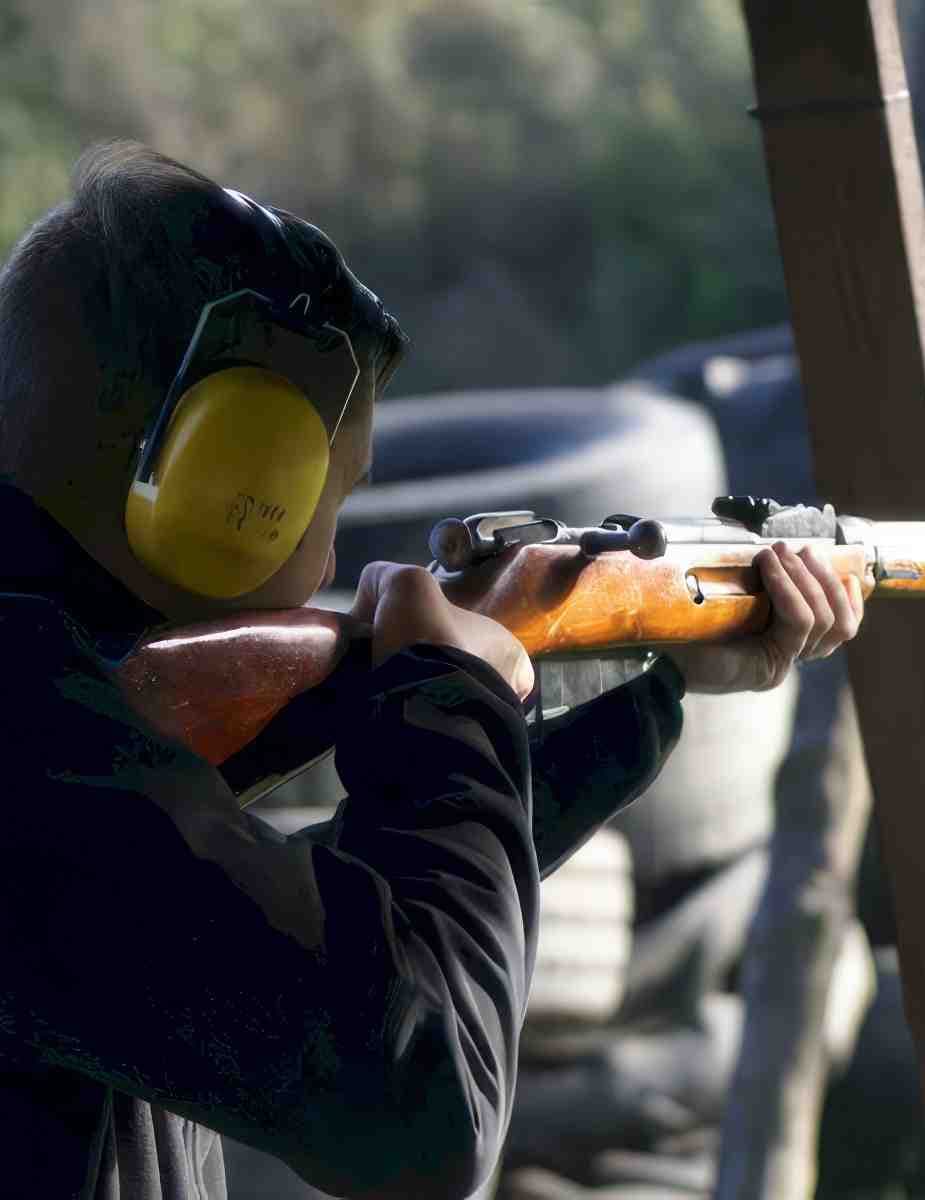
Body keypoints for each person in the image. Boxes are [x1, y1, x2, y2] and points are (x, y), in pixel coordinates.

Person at [0, 140, 864, 1200]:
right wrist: (454, 700)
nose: (325, 563)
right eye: (323, 498)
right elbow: (417, 1107)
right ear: (221, 486)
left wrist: (653, 692)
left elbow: (259, 939)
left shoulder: (53, 721)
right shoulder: (29, 739)